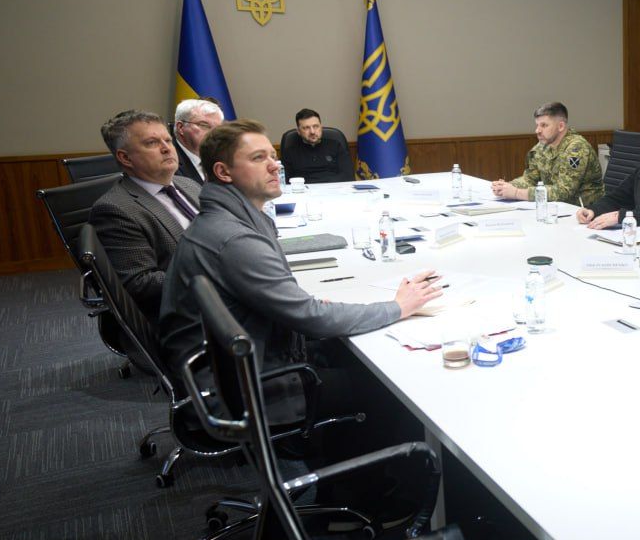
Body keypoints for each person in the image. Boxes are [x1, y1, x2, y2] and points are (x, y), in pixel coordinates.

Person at [159, 119, 440, 387]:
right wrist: (398, 307)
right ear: (223, 172)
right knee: (398, 380)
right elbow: (311, 318)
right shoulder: (235, 238)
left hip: (244, 364)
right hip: (249, 384)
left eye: (273, 156)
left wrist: (307, 309)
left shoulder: (229, 219)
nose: (275, 166)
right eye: (258, 158)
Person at [89, 110, 202, 320]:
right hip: (189, 313)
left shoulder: (189, 185)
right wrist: (214, 274)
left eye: (168, 140)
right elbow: (141, 283)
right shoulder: (115, 210)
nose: (167, 148)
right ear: (125, 157)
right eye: (152, 143)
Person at [491, 102, 604, 206]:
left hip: (583, 210)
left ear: (560, 126)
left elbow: (564, 192)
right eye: (537, 125)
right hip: (555, 207)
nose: (537, 130)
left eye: (544, 125)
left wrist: (517, 193)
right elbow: (530, 179)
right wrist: (507, 187)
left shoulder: (577, 148)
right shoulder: (542, 146)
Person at [279, 108, 354, 184]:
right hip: (304, 190)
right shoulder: (290, 152)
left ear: (321, 127)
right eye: (306, 128)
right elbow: (285, 181)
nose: (312, 132)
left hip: (334, 188)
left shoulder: (336, 146)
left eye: (315, 126)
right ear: (298, 131)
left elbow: (348, 175)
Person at [171, 98, 223, 184]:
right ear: (181, 127)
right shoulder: (168, 161)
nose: (213, 134)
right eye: (204, 125)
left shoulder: (221, 160)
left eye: (218, 129)